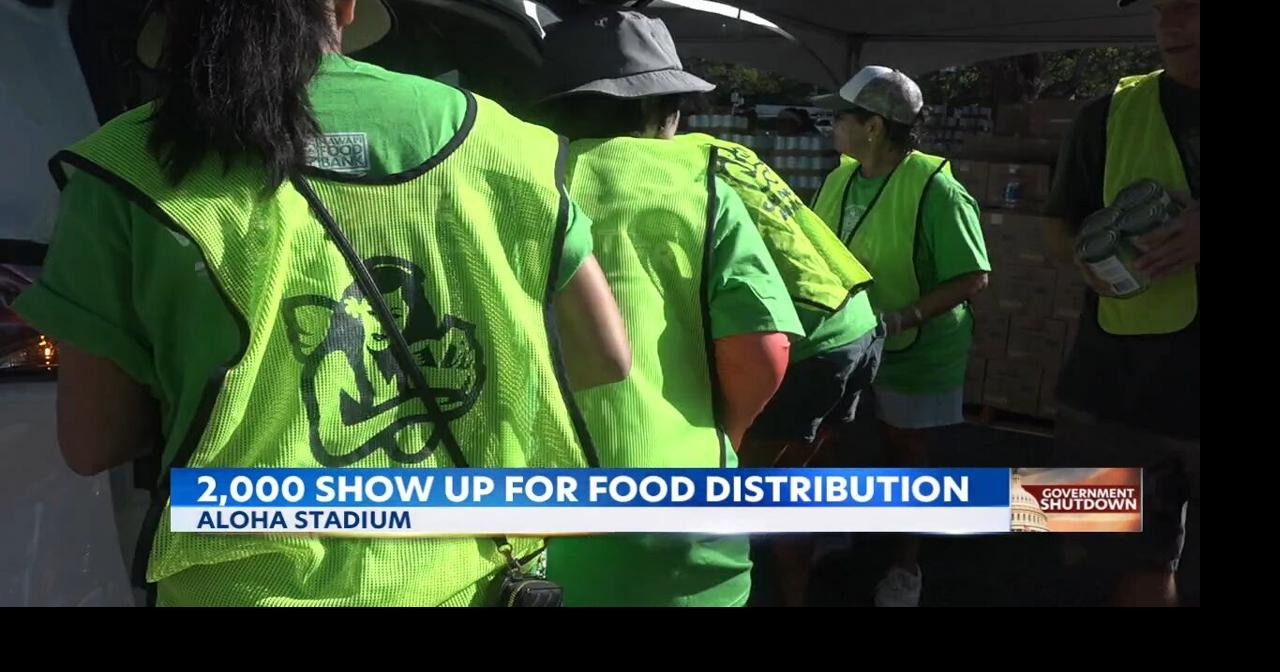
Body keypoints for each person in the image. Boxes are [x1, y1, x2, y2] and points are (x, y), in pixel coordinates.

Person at [13, 0, 631, 606]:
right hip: (473, 579)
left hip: (241, 590)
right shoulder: (504, 144)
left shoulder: (125, 166)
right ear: (346, 7)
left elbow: (94, 440)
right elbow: (604, 357)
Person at [533, 9, 803, 607]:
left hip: (530, 525)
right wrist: (724, 435)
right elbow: (764, 349)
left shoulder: (515, 179)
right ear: (664, 109)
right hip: (683, 519)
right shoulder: (701, 184)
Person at [672, 132, 882, 607]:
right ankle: (805, 579)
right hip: (854, 318)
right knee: (795, 480)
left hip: (809, 340)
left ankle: (739, 590)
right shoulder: (719, 149)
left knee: (740, 489)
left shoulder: (662, 172)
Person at [813, 66, 990, 607]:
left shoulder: (938, 189)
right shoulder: (841, 177)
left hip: (915, 346)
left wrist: (903, 318)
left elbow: (973, 276)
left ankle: (905, 564)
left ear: (873, 126)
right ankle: (835, 526)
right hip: (850, 339)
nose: (831, 126)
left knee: (904, 451)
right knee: (828, 437)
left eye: (841, 117)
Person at [1043, 0, 1199, 607]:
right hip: (1110, 394)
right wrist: (1081, 258)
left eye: (1188, 6)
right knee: (1093, 570)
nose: (1168, 23)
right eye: (1161, 9)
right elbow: (1059, 227)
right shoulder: (1107, 114)